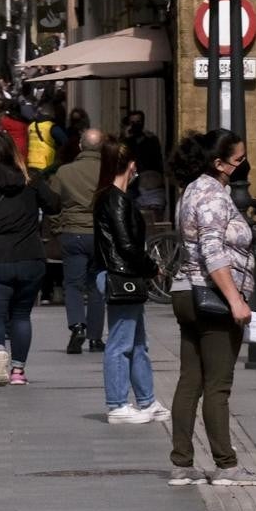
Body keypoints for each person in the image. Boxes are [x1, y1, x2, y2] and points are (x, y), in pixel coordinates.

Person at [167, 129, 256, 486]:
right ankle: (227, 466)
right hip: (210, 296)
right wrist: (236, 300)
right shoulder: (211, 196)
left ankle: (182, 463)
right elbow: (213, 252)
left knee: (190, 379)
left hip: (185, 292)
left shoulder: (191, 190)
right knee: (218, 385)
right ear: (219, 163)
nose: (243, 165)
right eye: (239, 159)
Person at [91, 136, 167, 424]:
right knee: (121, 343)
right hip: (120, 274)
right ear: (131, 165)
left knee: (136, 342)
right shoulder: (116, 200)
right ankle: (117, 404)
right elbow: (126, 244)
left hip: (122, 274)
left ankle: (146, 400)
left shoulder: (110, 197)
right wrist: (151, 267)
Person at [0, 132, 60, 386]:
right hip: (30, 257)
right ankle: (18, 371)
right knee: (21, 315)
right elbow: (55, 205)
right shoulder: (31, 180)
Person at [50, 129, 108, 353]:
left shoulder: (64, 172)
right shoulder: (108, 172)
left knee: (73, 284)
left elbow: (53, 204)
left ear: (81, 147)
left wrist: (57, 227)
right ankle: (95, 337)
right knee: (96, 286)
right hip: (99, 233)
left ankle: (77, 326)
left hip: (72, 231)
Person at [26, 102, 67, 175]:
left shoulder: (31, 126)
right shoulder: (52, 127)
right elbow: (66, 142)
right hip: (45, 166)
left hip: (30, 164)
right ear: (51, 113)